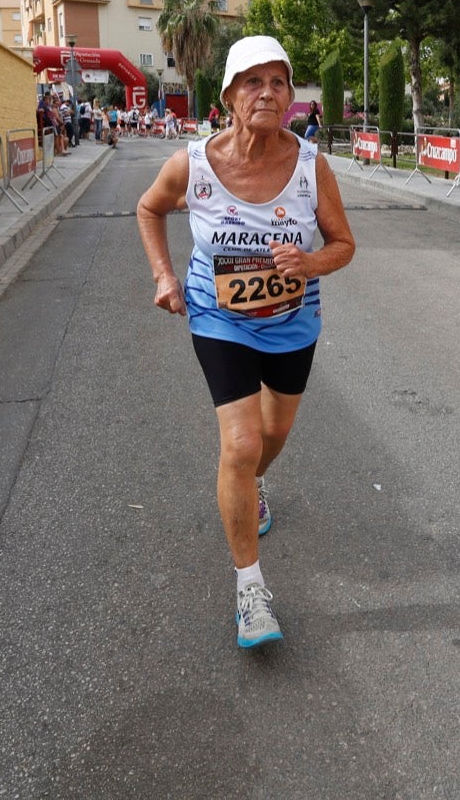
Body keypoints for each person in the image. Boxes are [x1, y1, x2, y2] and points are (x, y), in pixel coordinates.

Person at [136, 35, 356, 649]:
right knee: (241, 442)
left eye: (278, 82)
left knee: (274, 437)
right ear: (229, 96)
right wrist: (164, 276)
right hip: (218, 318)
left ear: (290, 96)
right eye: (252, 82)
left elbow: (344, 244)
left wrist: (310, 265)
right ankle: (250, 588)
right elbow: (148, 209)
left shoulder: (312, 166)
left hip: (292, 323)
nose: (266, 92)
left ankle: (252, 486)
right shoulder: (194, 165)